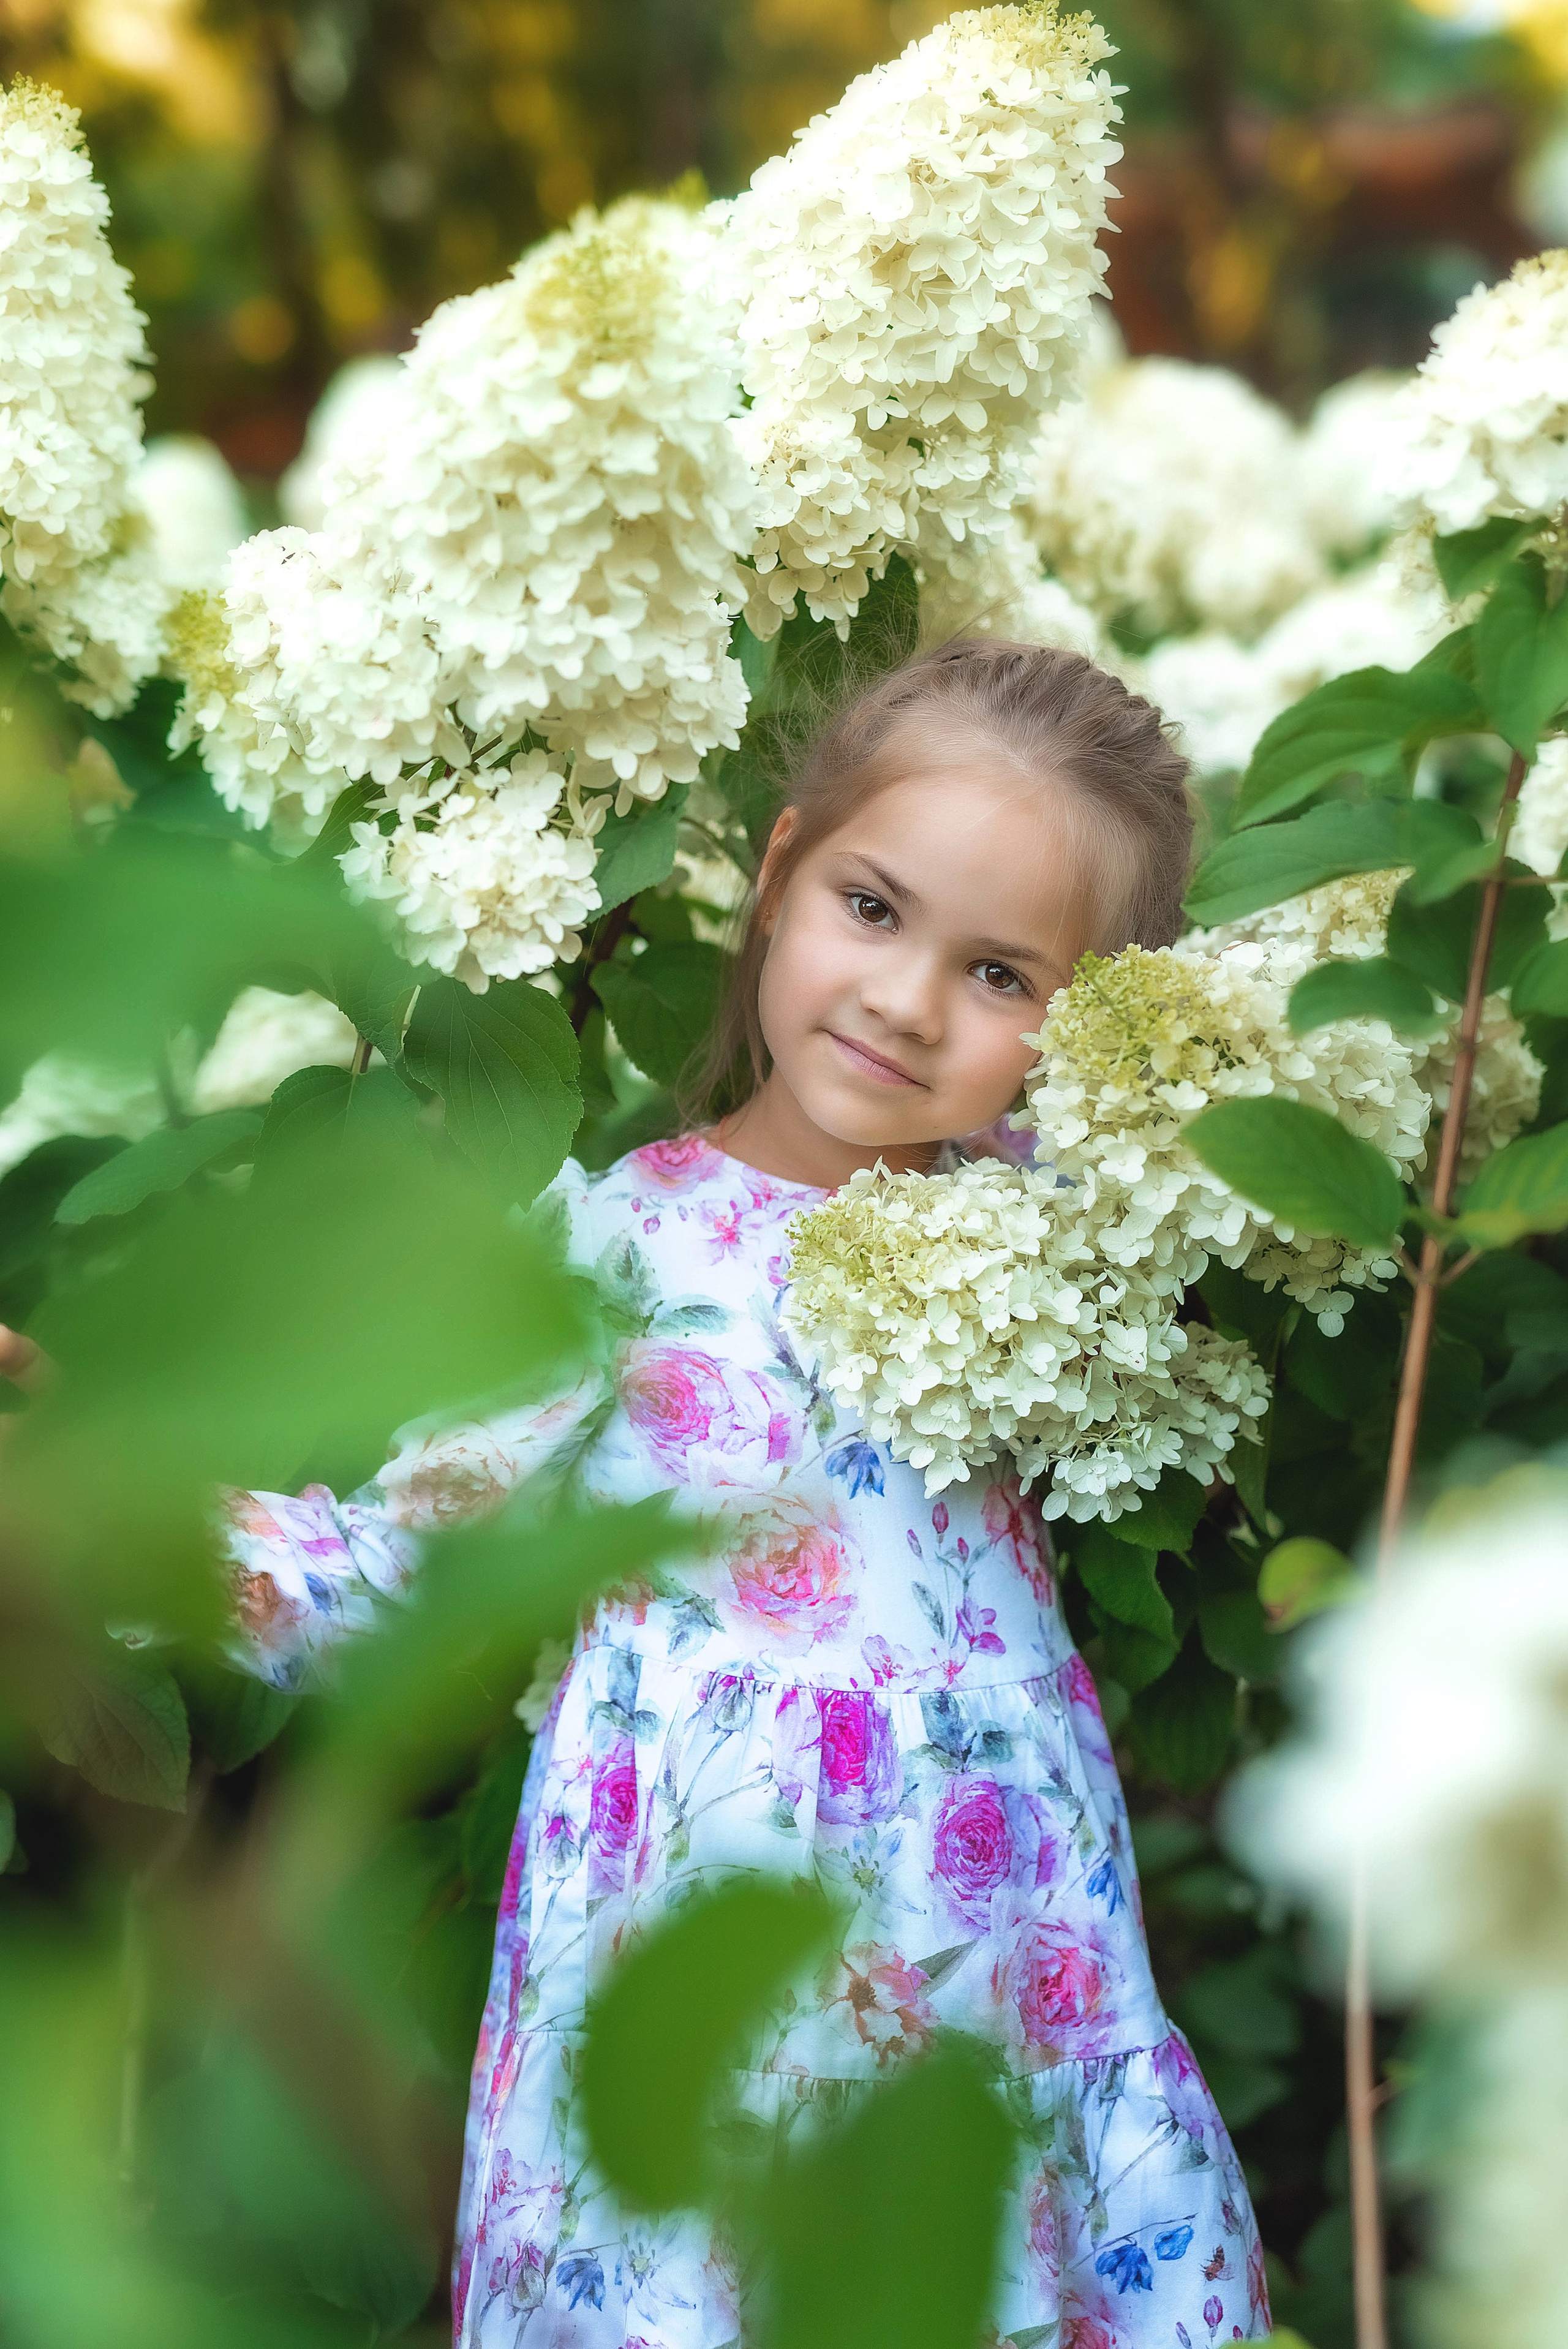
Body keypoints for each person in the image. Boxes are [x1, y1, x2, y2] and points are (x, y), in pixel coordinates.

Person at [1, 639, 1270, 2346]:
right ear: (779, 873)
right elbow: (403, 1561)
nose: (905, 1001)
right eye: (874, 908)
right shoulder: (618, 1248)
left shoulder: (1068, 1242)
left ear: (1082, 1021)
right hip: (693, 1948)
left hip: (991, 1944)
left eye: (1003, 975)